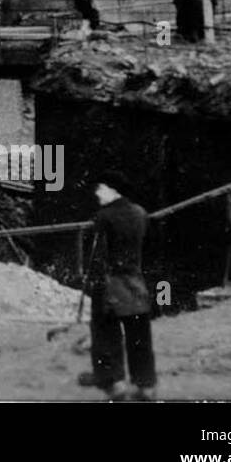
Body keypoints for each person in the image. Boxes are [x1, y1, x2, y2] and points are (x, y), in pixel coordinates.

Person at [78, 171, 157, 402]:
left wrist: (91, 283)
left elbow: (97, 254)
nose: (97, 193)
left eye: (100, 188)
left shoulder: (103, 217)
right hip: (136, 282)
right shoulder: (141, 213)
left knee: (104, 333)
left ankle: (114, 383)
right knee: (139, 335)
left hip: (110, 284)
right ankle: (145, 385)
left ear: (113, 190)